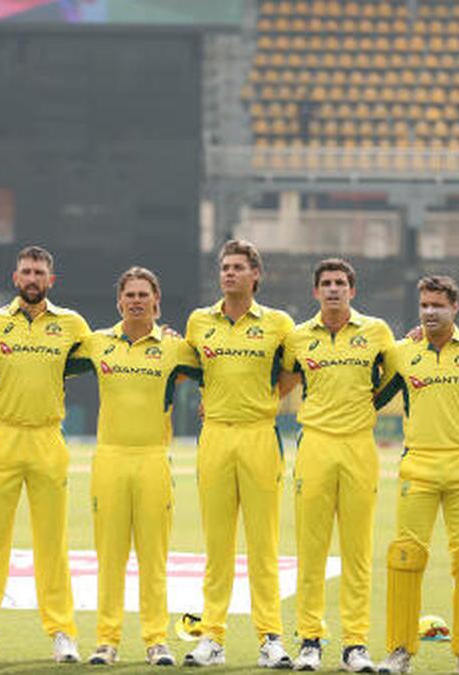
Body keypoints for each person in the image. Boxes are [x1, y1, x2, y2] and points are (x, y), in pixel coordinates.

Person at [373, 275, 459, 675]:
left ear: (455, 308)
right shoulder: (402, 354)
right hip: (419, 464)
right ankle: (399, 651)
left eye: (438, 305)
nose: (431, 312)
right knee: (405, 557)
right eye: (425, 306)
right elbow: (372, 397)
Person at [0, 246, 91, 663]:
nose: (32, 278)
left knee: (52, 542)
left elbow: (100, 355)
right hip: (3, 437)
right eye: (26, 272)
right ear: (15, 278)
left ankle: (62, 632)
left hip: (48, 438)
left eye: (39, 272)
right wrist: (1, 394)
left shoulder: (72, 324)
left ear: (51, 281)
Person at [66, 267, 200, 666]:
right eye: (131, 295)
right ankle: (106, 640)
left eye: (145, 294)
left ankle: (156, 639)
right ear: (119, 301)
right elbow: (49, 364)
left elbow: (217, 374)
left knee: (153, 557)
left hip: (152, 460)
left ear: (157, 302)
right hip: (109, 458)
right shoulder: (96, 343)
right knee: (109, 556)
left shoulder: (176, 348)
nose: (137, 300)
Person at [182, 239, 296, 668]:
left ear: (255, 276)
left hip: (258, 437)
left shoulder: (278, 324)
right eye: (225, 267)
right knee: (218, 546)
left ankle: (271, 639)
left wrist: (266, 400)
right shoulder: (198, 322)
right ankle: (212, 638)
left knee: (263, 545)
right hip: (214, 437)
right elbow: (187, 365)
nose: (229, 273)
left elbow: (293, 370)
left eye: (237, 267)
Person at [277, 259, 394, 673]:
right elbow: (279, 386)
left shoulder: (376, 332)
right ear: (315, 292)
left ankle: (355, 645)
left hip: (360, 447)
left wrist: (366, 406)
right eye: (325, 283)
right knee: (312, 550)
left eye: (340, 283)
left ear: (352, 290)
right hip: (315, 447)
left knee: (357, 550)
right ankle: (310, 640)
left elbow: (397, 376)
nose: (332, 289)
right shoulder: (297, 338)